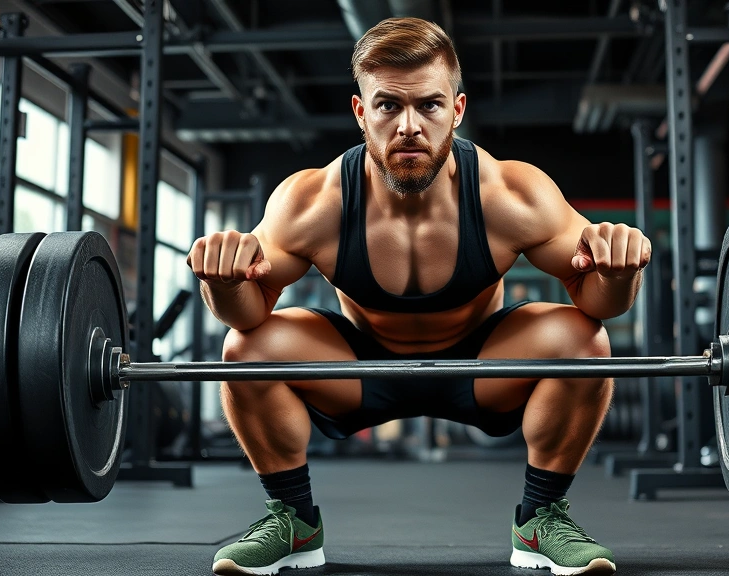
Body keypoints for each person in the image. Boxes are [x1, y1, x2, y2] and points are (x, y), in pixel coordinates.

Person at [189, 17, 650, 576]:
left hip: (481, 366)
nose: (408, 126)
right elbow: (250, 311)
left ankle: (540, 519)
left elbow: (600, 303)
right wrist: (223, 282)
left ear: (456, 110)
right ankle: (292, 519)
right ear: (362, 112)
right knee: (245, 349)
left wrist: (619, 270)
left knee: (584, 338)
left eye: (429, 106)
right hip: (360, 367)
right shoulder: (314, 201)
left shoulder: (511, 194)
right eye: (387, 106)